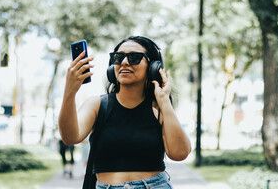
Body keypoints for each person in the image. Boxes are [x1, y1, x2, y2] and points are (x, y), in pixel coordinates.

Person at [59, 36, 191, 189]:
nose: (124, 62)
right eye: (118, 57)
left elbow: (180, 153)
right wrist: (69, 91)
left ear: (153, 66)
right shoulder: (97, 105)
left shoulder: (159, 108)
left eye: (134, 57)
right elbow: (69, 137)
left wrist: (164, 101)